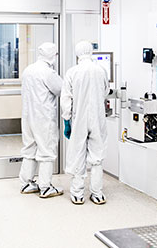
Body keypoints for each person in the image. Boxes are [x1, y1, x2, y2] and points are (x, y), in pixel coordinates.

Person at [61, 41, 110, 205]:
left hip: (79, 119)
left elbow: (67, 98)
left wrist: (66, 119)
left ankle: (77, 194)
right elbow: (106, 91)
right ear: (91, 52)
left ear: (77, 54)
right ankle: (97, 193)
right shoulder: (101, 70)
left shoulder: (72, 72)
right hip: (97, 117)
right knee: (97, 156)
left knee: (78, 154)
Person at [19, 42, 63, 198]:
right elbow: (61, 90)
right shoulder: (48, 72)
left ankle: (26, 183)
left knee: (29, 149)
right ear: (51, 55)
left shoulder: (28, 70)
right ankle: (45, 186)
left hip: (28, 116)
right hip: (43, 118)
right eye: (56, 54)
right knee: (47, 151)